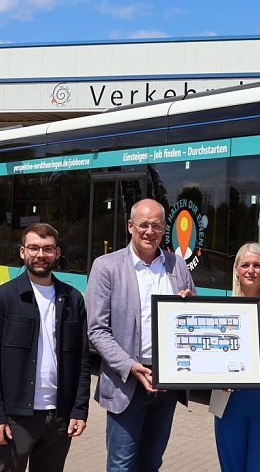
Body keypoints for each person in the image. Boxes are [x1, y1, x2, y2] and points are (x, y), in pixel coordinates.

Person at [87, 198, 196, 472]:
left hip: (167, 382)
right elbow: (96, 330)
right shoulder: (106, 266)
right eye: (144, 225)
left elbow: (194, 316)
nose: (150, 232)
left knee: (151, 463)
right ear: (130, 227)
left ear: (164, 230)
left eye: (157, 226)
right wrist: (130, 366)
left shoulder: (177, 265)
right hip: (127, 382)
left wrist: (190, 303)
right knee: (122, 465)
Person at [0, 223, 91, 472]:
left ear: (58, 253)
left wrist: (79, 410)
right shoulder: (4, 298)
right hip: (16, 418)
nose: (41, 255)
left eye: (48, 249)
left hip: (59, 417)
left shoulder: (73, 299)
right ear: (22, 252)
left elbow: (82, 361)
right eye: (34, 248)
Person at [208, 242, 260, 472]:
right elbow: (209, 357)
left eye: (257, 265)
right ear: (236, 269)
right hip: (229, 403)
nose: (251, 270)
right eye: (245, 265)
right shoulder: (220, 307)